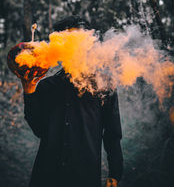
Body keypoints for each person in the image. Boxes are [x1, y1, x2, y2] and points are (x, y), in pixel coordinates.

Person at [20, 15, 123, 187]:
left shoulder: (104, 84)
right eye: (67, 41)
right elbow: (39, 130)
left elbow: (112, 134)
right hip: (47, 175)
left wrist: (115, 172)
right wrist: (29, 92)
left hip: (84, 175)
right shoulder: (47, 85)